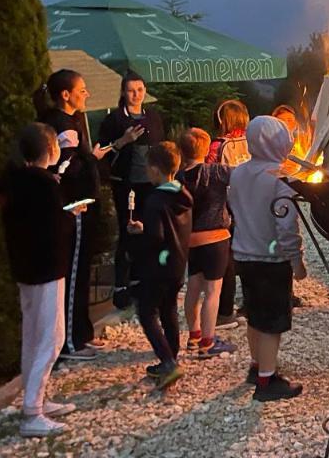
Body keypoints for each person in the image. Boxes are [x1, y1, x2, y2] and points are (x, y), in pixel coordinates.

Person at [0, 123, 83, 438]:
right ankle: (33, 409)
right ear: (49, 149)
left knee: (32, 334)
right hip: (46, 267)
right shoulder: (44, 185)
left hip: (24, 267)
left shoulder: (12, 182)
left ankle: (36, 398)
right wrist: (70, 215)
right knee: (51, 336)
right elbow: (52, 227)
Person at [228, 116, 306, 402]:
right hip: (270, 260)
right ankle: (267, 381)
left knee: (254, 314)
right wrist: (296, 261)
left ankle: (257, 365)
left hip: (243, 256)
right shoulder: (279, 179)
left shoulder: (238, 173)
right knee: (273, 321)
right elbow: (286, 227)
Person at [33, 69, 106, 361]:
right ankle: (71, 342)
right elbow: (62, 168)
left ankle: (81, 332)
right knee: (74, 273)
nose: (86, 94)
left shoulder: (69, 123)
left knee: (81, 271)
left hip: (78, 205)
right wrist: (87, 164)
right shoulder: (64, 127)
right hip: (72, 208)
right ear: (66, 94)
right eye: (82, 89)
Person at [126, 141, 193, 390]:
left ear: (154, 169)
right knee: (169, 311)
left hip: (158, 267)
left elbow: (155, 238)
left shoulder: (155, 201)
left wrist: (138, 235)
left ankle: (167, 362)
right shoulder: (182, 195)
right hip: (177, 265)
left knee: (147, 312)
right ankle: (171, 355)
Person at [98, 71, 165, 309]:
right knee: (128, 233)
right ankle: (121, 287)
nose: (136, 95)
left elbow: (161, 149)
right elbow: (101, 154)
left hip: (150, 184)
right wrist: (122, 141)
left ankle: (142, 281)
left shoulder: (153, 117)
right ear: (123, 93)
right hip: (126, 183)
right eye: (131, 90)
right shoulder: (114, 119)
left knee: (150, 231)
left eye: (140, 89)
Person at [176, 128, 236, 358]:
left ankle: (194, 336)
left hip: (190, 241)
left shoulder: (179, 177)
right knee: (213, 291)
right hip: (216, 239)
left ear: (182, 151)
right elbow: (241, 174)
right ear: (207, 149)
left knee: (193, 287)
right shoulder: (216, 172)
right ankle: (208, 342)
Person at [207, 99, 251, 328]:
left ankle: (224, 311)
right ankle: (251, 304)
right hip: (251, 206)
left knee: (227, 261)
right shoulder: (252, 142)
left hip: (225, 209)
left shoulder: (217, 145)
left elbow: (207, 174)